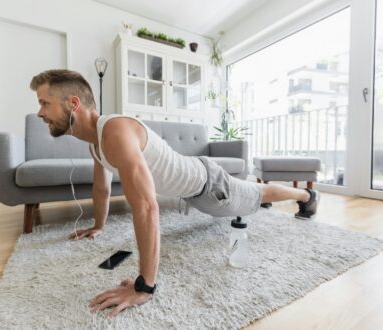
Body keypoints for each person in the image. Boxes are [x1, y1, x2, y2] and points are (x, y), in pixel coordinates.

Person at [30, 69, 320, 318]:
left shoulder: (115, 131)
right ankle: (294, 197)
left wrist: (145, 287)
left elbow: (146, 207)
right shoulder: (96, 142)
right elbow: (101, 187)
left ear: (73, 103)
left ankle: (306, 197)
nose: (40, 112)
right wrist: (98, 225)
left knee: (258, 193)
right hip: (193, 190)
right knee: (256, 193)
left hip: (209, 186)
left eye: (45, 103)